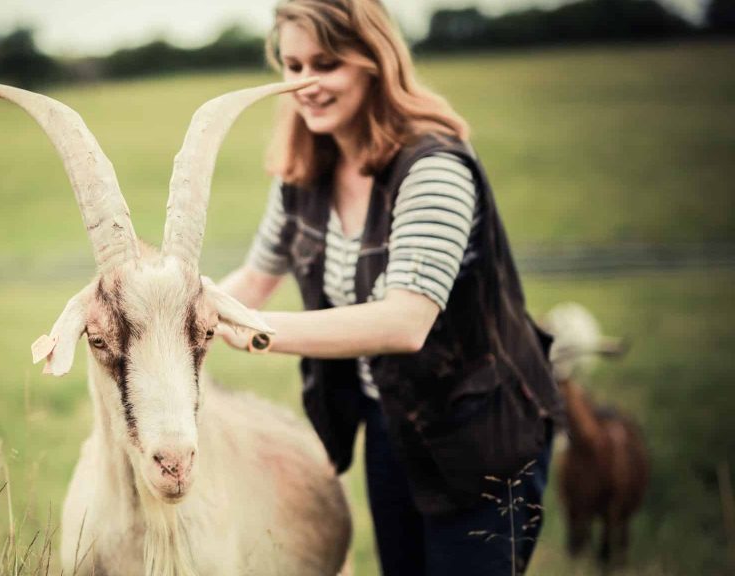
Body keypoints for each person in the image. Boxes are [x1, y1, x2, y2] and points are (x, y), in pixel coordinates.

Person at [217, 1, 564, 574]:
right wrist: (176, 322)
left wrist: (257, 333)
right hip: (393, 424)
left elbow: (404, 322)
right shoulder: (304, 173)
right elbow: (254, 279)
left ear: (374, 61)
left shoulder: (432, 167)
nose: (305, 84)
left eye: (326, 63)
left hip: (482, 432)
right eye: (293, 65)